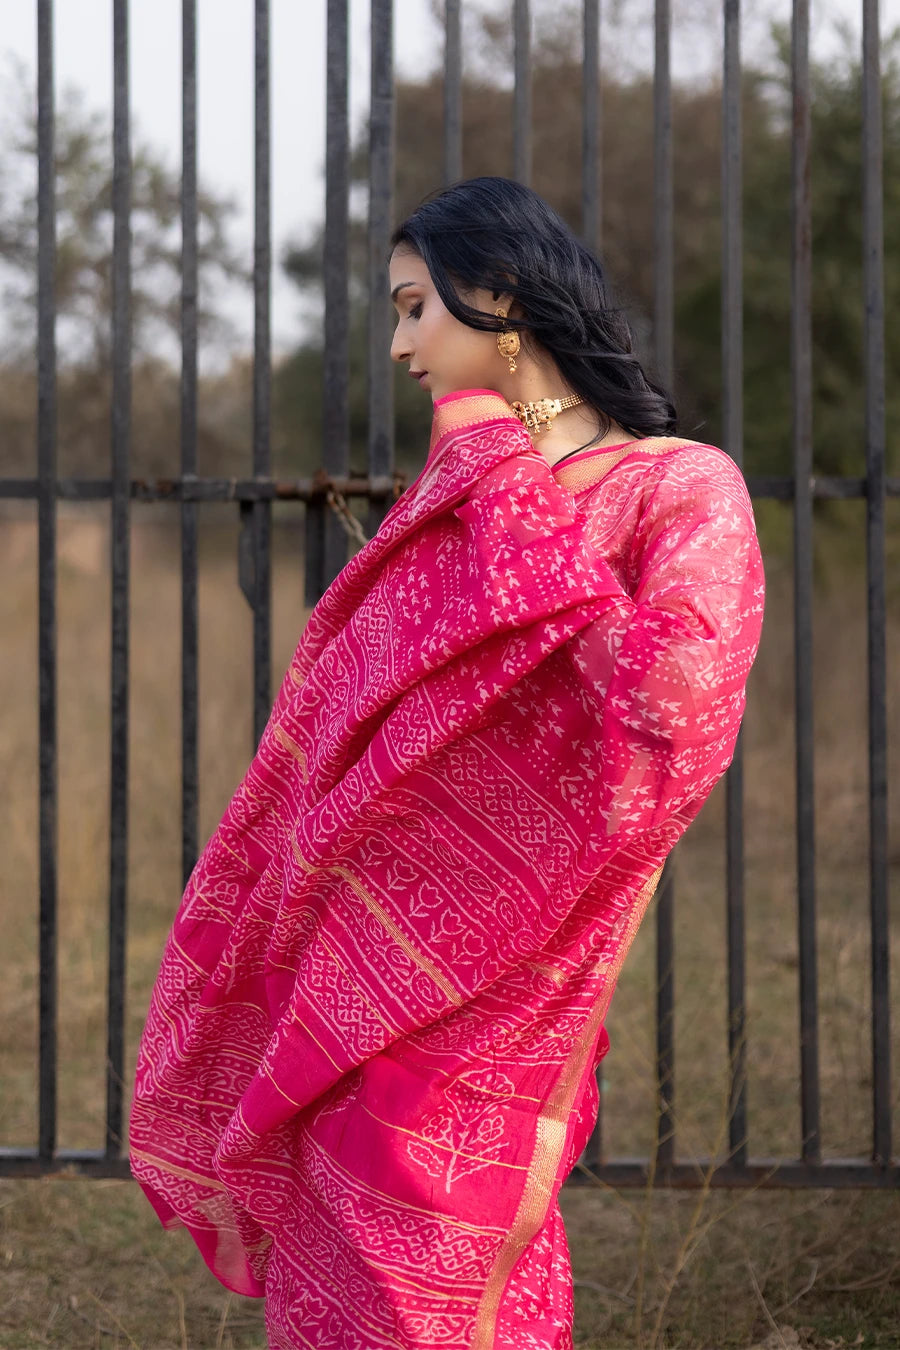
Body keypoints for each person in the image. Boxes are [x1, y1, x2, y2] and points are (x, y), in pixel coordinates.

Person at [129, 176, 765, 1350]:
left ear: (501, 301)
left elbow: (678, 715)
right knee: (338, 1247)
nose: (400, 343)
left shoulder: (679, 487)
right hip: (347, 958)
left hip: (507, 971)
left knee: (435, 1254)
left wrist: (511, 488)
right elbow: (341, 731)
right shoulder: (449, 500)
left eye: (417, 307)